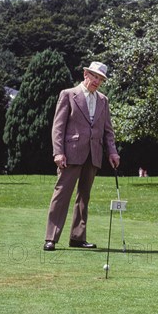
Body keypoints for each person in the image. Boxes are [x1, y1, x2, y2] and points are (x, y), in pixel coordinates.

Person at [43, 61, 120, 251]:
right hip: (70, 154)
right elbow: (58, 127)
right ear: (86, 74)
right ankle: (51, 238)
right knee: (61, 195)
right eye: (95, 76)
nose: (97, 81)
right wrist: (58, 152)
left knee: (84, 196)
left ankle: (78, 237)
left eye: (101, 79)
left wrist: (112, 151)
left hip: (93, 154)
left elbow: (107, 130)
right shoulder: (68, 94)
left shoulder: (103, 100)